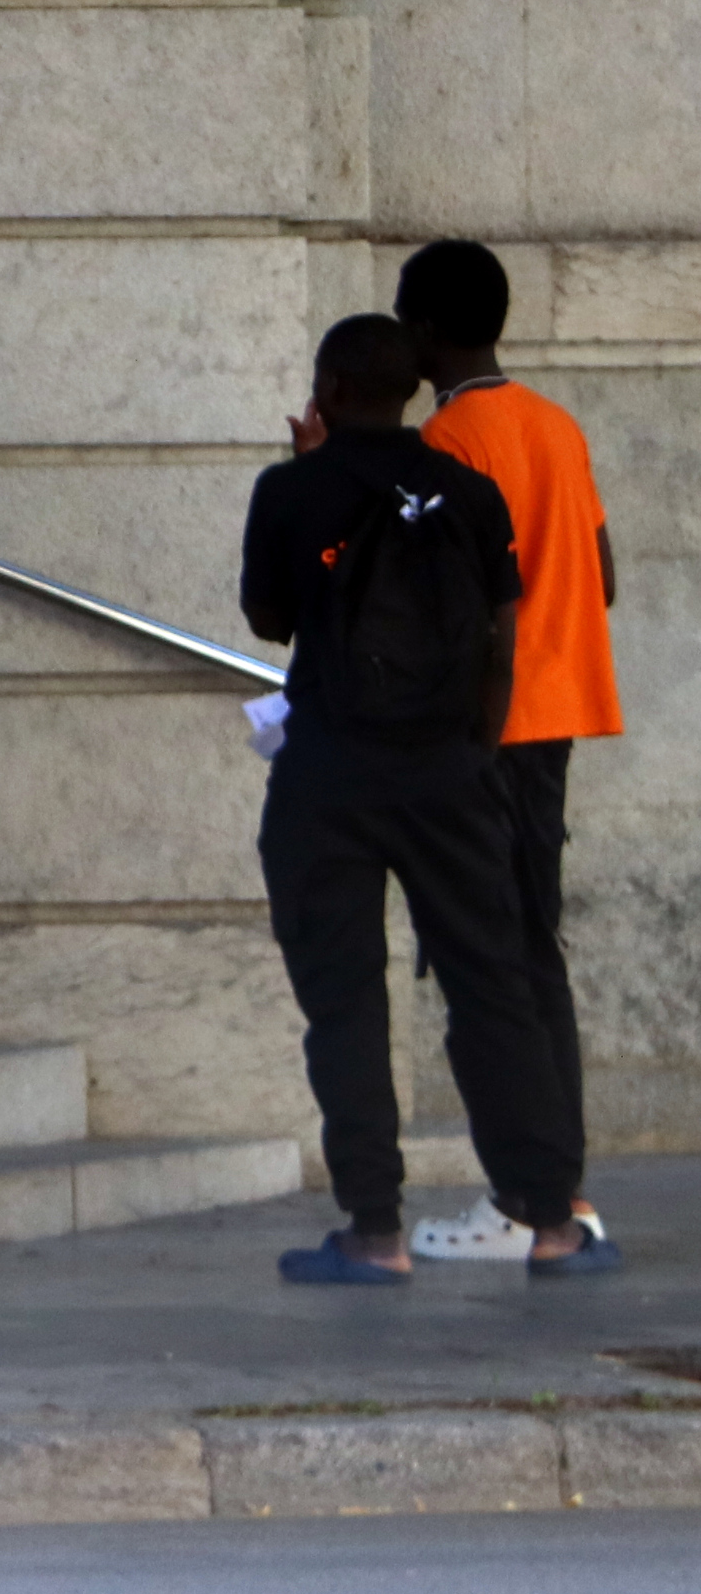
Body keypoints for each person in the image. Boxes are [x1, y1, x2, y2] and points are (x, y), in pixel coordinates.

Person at [244, 315, 612, 1282]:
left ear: (324, 384)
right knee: (494, 991)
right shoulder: (472, 492)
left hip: (329, 779)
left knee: (347, 1003)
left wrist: (312, 487)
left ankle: (376, 1232)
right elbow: (504, 635)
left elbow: (270, 615)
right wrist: (476, 752)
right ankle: (553, 1222)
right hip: (452, 778)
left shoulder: (291, 490)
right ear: (411, 389)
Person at [395, 241, 623, 1262]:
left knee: (492, 963)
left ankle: (531, 1202)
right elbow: (600, 573)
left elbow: (445, 598)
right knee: (532, 954)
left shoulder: (449, 436)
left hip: (482, 730)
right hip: (558, 716)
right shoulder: (556, 427)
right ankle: (556, 1194)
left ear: (427, 331)